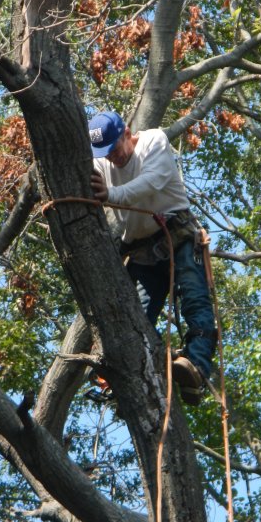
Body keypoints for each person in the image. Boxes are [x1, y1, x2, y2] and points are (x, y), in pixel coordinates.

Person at [89, 110, 216, 405]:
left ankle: (195, 367)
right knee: (136, 318)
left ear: (127, 132)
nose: (112, 159)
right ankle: (135, 379)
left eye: (115, 149)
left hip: (178, 238)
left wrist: (110, 195)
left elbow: (150, 183)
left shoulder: (154, 142)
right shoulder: (100, 163)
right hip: (141, 253)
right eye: (104, 154)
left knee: (195, 300)